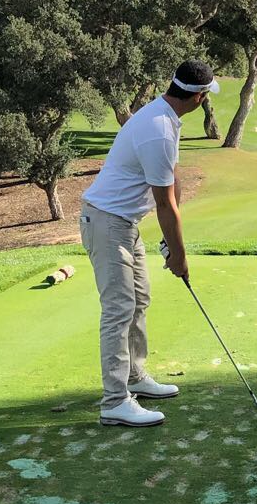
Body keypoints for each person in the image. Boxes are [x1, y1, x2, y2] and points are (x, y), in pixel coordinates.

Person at [80, 60, 218, 427]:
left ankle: (134, 377)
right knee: (119, 309)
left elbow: (171, 180)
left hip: (123, 223)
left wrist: (173, 247)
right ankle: (114, 402)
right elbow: (165, 205)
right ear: (198, 97)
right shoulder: (158, 129)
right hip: (107, 223)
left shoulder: (166, 118)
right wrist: (180, 257)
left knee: (139, 299)